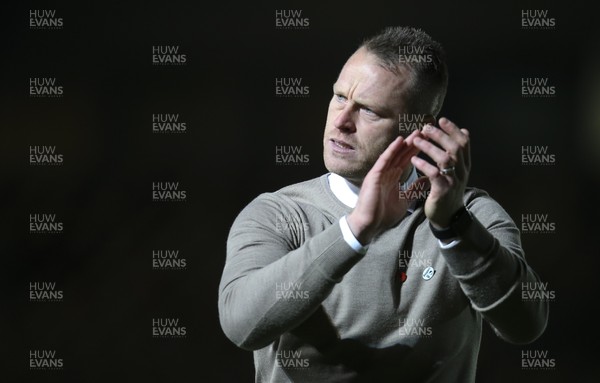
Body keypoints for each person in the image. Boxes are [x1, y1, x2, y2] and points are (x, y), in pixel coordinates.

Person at [218, 26, 548, 382]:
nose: (342, 121)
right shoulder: (279, 215)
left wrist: (453, 227)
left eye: (369, 111)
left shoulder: (473, 215)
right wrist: (355, 230)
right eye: (340, 97)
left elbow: (526, 325)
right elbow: (242, 325)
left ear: (418, 129)